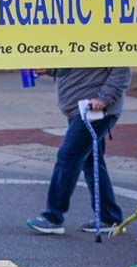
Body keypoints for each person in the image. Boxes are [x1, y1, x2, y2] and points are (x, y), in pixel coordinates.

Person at [25, 67, 131, 235]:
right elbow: (71, 66)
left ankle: (53, 217)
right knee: (91, 162)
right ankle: (109, 217)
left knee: (68, 157)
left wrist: (104, 98)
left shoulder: (107, 40)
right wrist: (50, 69)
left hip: (95, 111)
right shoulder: (77, 41)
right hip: (82, 110)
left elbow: (122, 68)